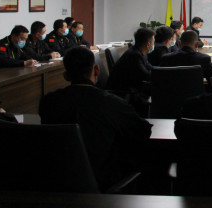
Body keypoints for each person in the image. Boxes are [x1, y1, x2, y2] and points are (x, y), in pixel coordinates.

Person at [39, 47, 151, 190]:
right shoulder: (110, 103)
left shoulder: (48, 102)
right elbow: (142, 132)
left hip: (57, 184)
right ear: (97, 70)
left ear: (66, 75)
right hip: (103, 183)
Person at [105, 28, 155, 117]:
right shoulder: (134, 55)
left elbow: (151, 68)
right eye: (153, 42)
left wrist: (162, 71)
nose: (154, 44)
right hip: (123, 93)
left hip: (130, 89)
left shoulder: (139, 52)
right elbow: (145, 75)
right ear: (148, 44)